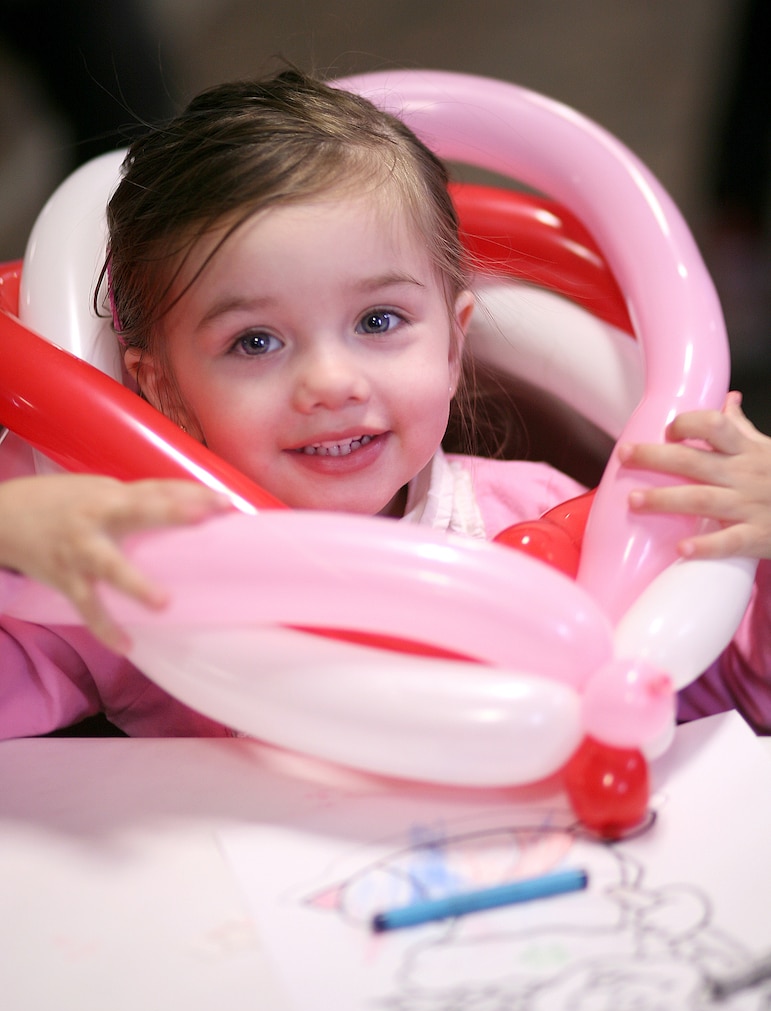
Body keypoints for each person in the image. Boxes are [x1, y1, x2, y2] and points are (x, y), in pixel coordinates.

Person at [1, 69, 770, 738]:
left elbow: (729, 693)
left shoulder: (551, 520)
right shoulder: (134, 575)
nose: (331, 382)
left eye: (377, 322)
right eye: (255, 342)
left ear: (451, 343)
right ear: (160, 386)